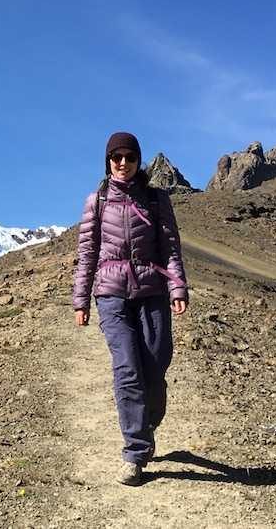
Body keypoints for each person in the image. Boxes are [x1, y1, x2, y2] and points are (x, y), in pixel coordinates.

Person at [72, 131, 189, 486]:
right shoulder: (98, 200)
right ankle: (135, 453)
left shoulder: (156, 199)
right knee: (127, 370)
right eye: (116, 157)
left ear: (139, 161)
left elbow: (170, 247)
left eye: (130, 157)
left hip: (152, 289)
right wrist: (81, 299)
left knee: (155, 362)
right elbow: (87, 252)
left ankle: (149, 417)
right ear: (108, 161)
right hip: (111, 294)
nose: (123, 163)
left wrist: (177, 286)